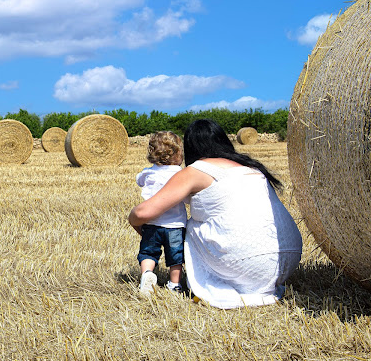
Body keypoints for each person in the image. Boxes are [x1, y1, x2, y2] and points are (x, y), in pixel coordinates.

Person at [128, 119, 302, 308]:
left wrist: (134, 221)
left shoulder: (196, 170)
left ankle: (176, 282)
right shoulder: (252, 168)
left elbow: (145, 212)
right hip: (287, 260)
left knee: (192, 224)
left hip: (245, 263)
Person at [134, 131, 187, 296]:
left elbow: (139, 180)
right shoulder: (180, 174)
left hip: (151, 223)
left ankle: (147, 274)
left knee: (149, 252)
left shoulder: (148, 172)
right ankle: (175, 284)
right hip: (175, 225)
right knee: (175, 257)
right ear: (178, 153)